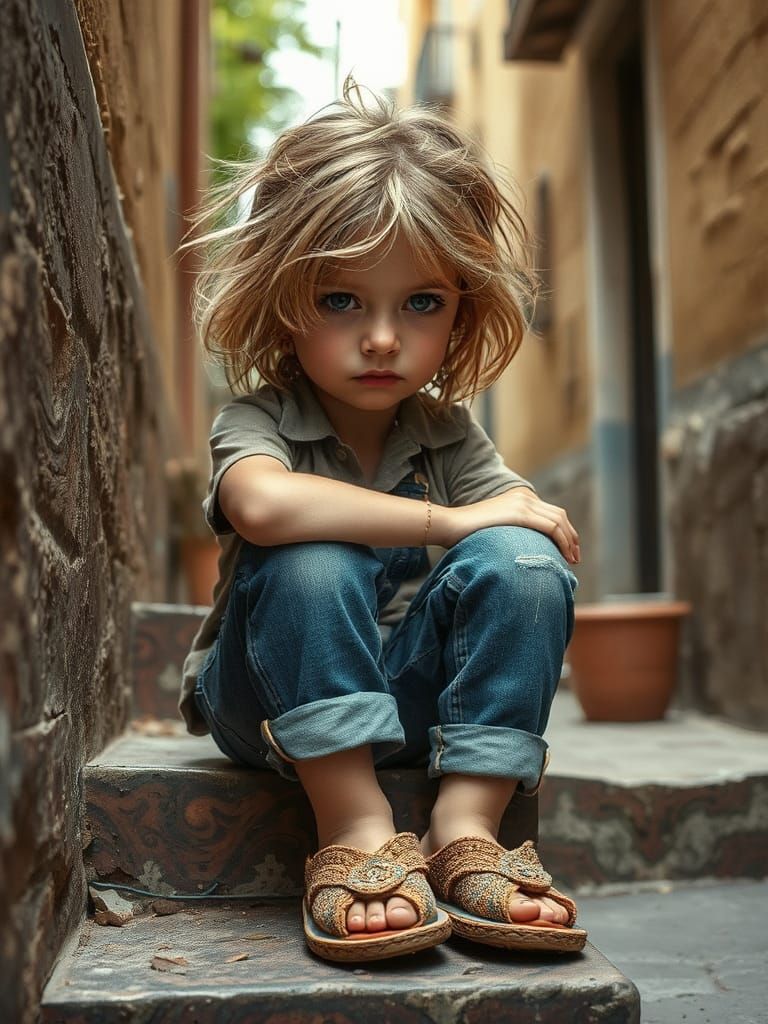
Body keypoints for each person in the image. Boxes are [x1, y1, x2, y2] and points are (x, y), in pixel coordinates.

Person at [179, 79, 586, 963]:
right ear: (285, 298)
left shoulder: (447, 432)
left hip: (405, 696)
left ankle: (465, 820)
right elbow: (262, 503)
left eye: (420, 303)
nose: (381, 339)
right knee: (310, 555)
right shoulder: (260, 418)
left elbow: (520, 534)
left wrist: (505, 525)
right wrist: (449, 521)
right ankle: (357, 825)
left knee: (521, 561)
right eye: (341, 300)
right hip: (266, 702)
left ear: (461, 310)